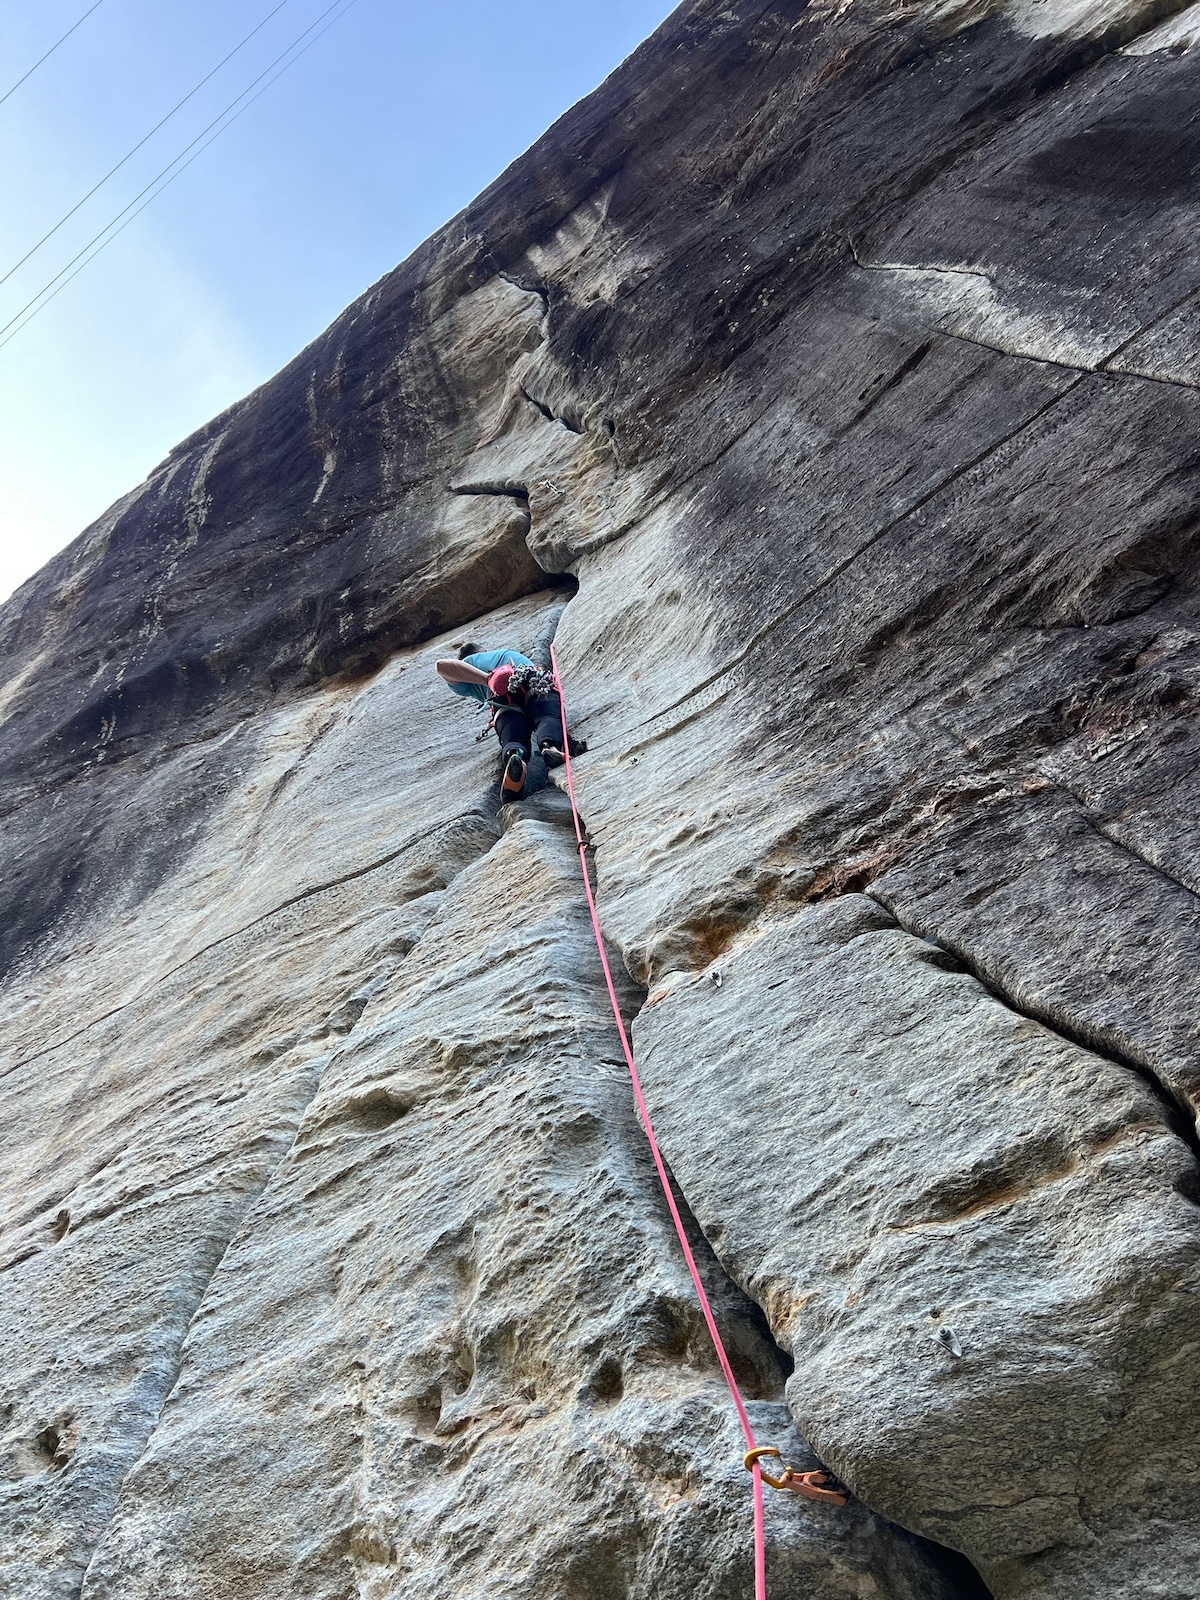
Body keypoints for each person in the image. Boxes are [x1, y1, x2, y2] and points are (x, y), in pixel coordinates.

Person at [436, 642, 566, 799]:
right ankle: (549, 746)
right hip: (533, 679)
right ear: (484, 650)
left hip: (502, 699)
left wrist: (489, 680)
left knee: (513, 736)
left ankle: (515, 756)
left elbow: (441, 666)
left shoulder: (468, 669)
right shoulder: (505, 654)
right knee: (546, 716)